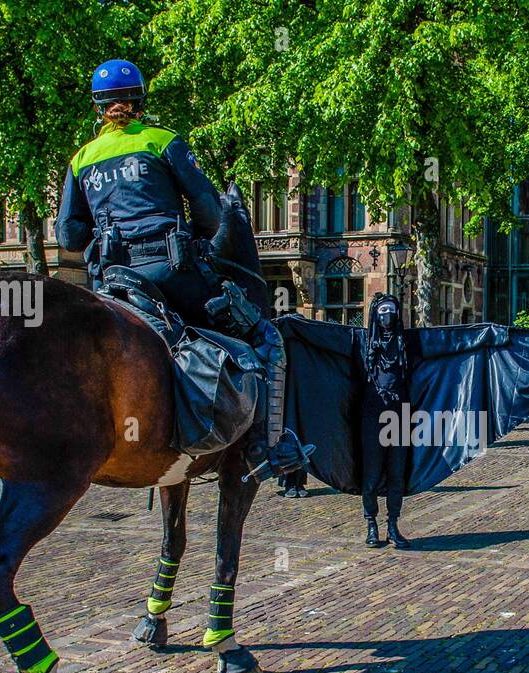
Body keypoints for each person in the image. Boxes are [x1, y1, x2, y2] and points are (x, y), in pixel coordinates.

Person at [55, 58, 306, 482]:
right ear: (139, 100)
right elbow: (209, 209)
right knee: (263, 334)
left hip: (113, 282)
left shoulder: (82, 159)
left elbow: (68, 235)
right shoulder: (162, 141)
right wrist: (197, 238)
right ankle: (269, 444)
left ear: (98, 107)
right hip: (169, 272)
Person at [360, 294, 419, 548]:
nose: (387, 316)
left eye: (391, 311)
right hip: (373, 416)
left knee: (397, 474)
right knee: (371, 474)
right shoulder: (363, 342)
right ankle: (371, 524)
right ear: (376, 314)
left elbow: (447, 344)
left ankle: (393, 524)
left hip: (400, 416)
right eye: (382, 311)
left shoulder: (407, 343)